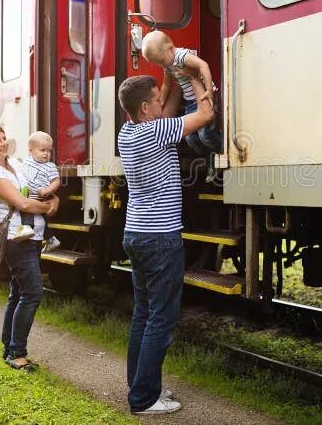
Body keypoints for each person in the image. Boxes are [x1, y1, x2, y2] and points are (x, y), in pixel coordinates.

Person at [117, 74, 213, 415]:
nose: (162, 104)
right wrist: (199, 78)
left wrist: (169, 81)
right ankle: (143, 399)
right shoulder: (156, 131)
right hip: (160, 238)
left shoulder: (129, 133)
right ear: (145, 108)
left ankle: (140, 384)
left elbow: (167, 111)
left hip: (136, 235)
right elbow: (204, 116)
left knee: (143, 314)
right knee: (161, 318)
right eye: (156, 101)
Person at [0, 125, 59, 371]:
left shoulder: (17, 165)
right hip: (16, 239)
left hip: (31, 236)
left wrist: (54, 199)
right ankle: (17, 353)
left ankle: (8, 347)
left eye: (3, 139)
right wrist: (47, 207)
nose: (3, 144)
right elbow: (22, 202)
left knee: (18, 294)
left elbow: (39, 189)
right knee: (32, 293)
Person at [141, 30, 222, 183]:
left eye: (162, 60)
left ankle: (222, 152)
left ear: (171, 48)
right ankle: (211, 158)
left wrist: (209, 91)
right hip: (190, 102)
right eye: (158, 63)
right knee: (191, 139)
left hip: (204, 97)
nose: (162, 64)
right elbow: (166, 85)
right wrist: (161, 101)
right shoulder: (168, 63)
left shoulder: (181, 56)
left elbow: (203, 65)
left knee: (205, 135)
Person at [14, 131, 62, 254]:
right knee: (26, 208)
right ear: (30, 151)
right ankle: (50, 238)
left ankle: (26, 228)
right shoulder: (27, 162)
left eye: (49, 151)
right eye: (42, 150)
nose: (46, 154)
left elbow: (56, 181)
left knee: (30, 210)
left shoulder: (50, 166)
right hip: (29, 193)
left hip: (42, 195)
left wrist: (47, 190)